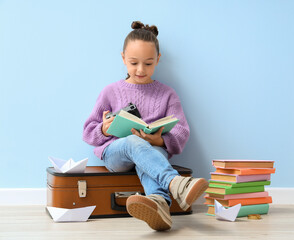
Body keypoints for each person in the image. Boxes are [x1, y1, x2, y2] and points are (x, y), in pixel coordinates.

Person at [83, 21, 208, 231]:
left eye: (148, 63)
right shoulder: (110, 91)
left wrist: (158, 139)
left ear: (158, 60)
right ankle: (176, 184)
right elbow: (88, 131)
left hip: (151, 153)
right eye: (134, 63)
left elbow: (181, 131)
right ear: (123, 58)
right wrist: (104, 128)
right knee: (133, 141)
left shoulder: (168, 94)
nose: (140, 69)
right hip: (117, 154)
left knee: (149, 154)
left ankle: (159, 205)